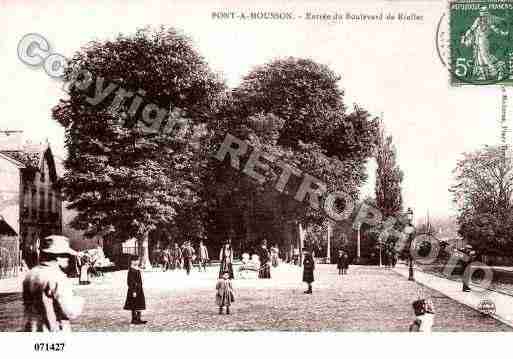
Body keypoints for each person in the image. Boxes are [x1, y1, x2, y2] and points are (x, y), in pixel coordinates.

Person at [22, 235, 84, 332]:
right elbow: (70, 311)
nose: (68, 259)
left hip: (32, 329)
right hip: (54, 331)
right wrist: (79, 301)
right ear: (58, 256)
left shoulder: (31, 274)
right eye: (66, 255)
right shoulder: (58, 277)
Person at [124, 256, 147, 325]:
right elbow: (130, 282)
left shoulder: (137, 269)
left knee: (139, 304)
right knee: (134, 305)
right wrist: (133, 291)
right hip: (134, 290)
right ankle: (134, 319)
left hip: (139, 289)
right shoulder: (131, 270)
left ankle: (139, 318)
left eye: (138, 260)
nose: (138, 261)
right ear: (132, 261)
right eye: (136, 260)